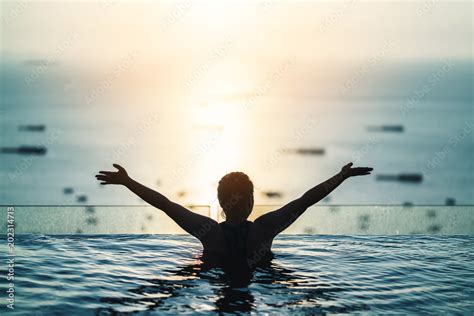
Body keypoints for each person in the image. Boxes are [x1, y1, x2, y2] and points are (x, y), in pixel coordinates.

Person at [95, 162, 372, 270]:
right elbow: (306, 201)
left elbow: (165, 204)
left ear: (220, 203)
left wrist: (128, 182)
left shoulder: (209, 231)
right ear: (251, 202)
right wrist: (341, 176)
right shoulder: (264, 229)